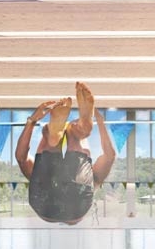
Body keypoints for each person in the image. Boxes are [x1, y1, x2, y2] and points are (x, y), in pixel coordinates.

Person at [16, 81, 116, 224]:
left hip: (77, 204)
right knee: (50, 140)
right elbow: (21, 158)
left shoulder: (96, 181)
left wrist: (100, 122)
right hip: (45, 205)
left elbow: (110, 156)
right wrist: (31, 122)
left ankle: (76, 131)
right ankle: (53, 135)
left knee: (76, 138)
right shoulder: (32, 174)